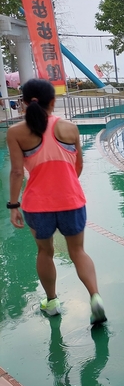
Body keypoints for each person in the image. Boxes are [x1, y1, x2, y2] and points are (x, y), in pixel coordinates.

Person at [6, 78, 106, 324]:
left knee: (45, 252)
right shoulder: (70, 128)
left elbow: (17, 172)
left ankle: (51, 303)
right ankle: (95, 297)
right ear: (53, 101)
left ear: (24, 102)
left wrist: (13, 205)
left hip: (37, 205)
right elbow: (78, 166)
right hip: (71, 201)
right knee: (78, 251)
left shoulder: (15, 132)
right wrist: (65, 187)